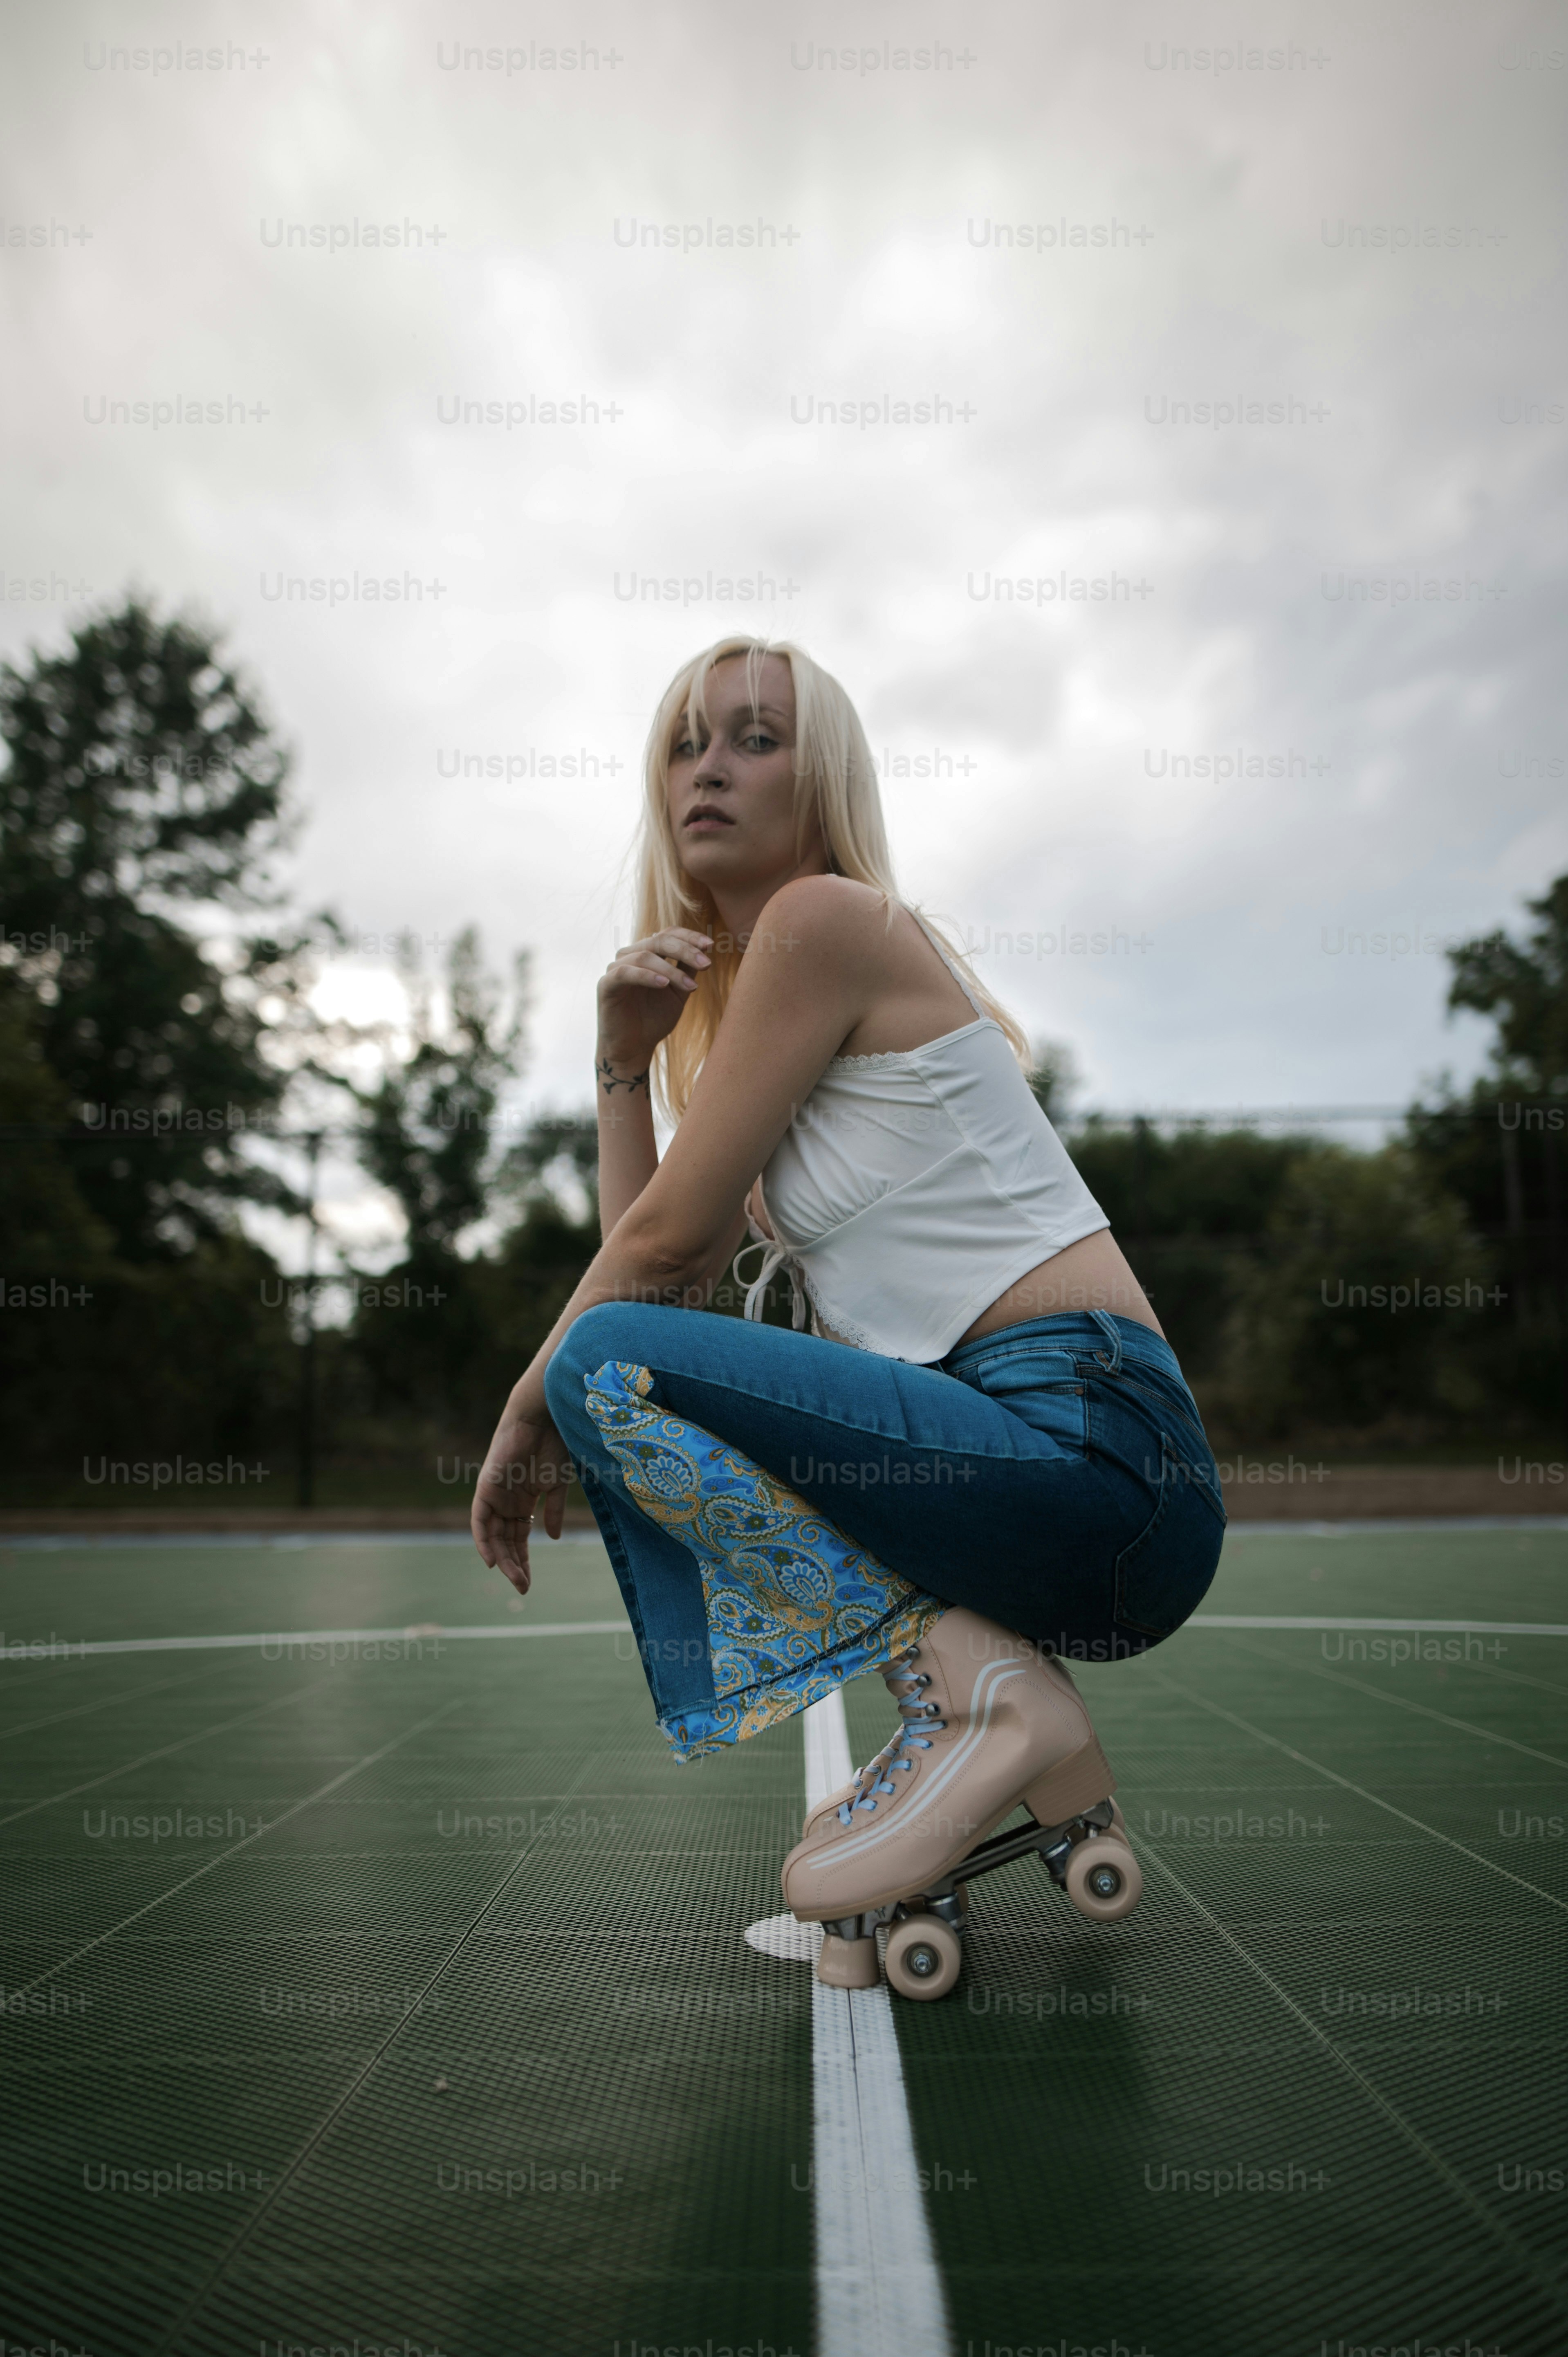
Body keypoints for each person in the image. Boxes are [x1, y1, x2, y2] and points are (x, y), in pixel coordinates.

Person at [470, 635, 1225, 1987]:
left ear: (821, 782)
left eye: (754, 738)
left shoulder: (829, 919)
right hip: (1053, 1490)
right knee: (622, 1361)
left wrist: (529, 1411)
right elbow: (665, 1276)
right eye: (686, 743)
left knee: (599, 1364)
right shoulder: (781, 1009)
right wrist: (620, 1067)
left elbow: (650, 1264)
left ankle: (984, 1697)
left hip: (1100, 1448)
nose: (709, 768)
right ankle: (973, 1687)